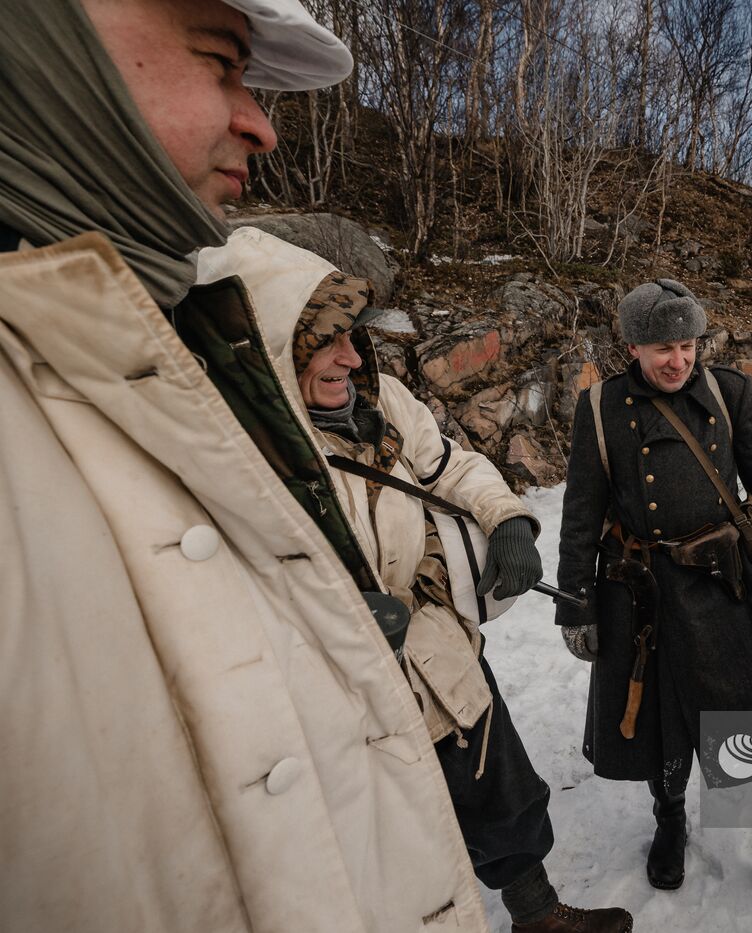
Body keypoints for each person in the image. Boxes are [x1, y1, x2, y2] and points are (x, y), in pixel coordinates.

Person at [0, 1, 485, 929]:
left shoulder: (195, 386)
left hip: (443, 658)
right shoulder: (252, 418)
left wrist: (507, 525)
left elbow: (449, 464)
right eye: (220, 59)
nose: (261, 120)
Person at [196, 227, 635, 932]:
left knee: (498, 781)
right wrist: (337, 618)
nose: (349, 355)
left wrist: (508, 519)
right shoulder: (245, 446)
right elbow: (226, 576)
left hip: (434, 637)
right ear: (281, 346)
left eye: (352, 337)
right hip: (334, 681)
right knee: (384, 827)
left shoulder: (385, 400)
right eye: (327, 342)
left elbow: (449, 466)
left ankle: (538, 913)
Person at [553, 279, 752, 914]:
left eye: (688, 344)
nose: (679, 360)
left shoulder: (729, 392)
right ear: (632, 346)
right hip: (642, 596)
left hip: (724, 586)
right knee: (660, 724)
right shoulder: (601, 408)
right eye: (664, 347)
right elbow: (581, 511)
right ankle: (669, 822)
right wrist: (574, 602)